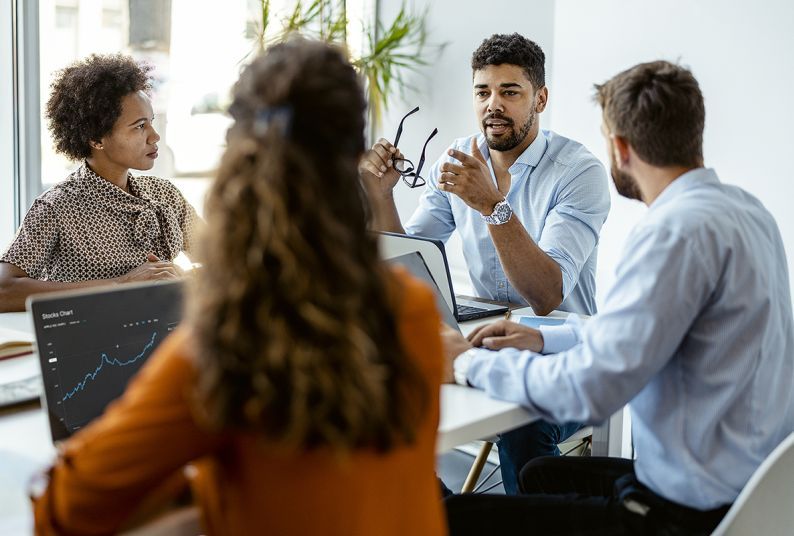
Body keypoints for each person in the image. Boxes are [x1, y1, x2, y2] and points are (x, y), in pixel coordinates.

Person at [31, 39, 447, 535]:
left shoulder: (223, 346)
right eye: (138, 125)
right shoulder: (414, 309)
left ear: (239, 159)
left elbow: (65, 509)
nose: (153, 136)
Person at [442, 60, 794, 535]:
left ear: (621, 147)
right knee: (538, 475)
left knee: (449, 514)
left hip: (678, 515)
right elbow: (647, 332)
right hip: (746, 490)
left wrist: (466, 363)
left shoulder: (672, 234)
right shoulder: (748, 212)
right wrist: (545, 340)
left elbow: (588, 391)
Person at [361, 32, 610, 495]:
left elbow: (546, 294)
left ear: (541, 98)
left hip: (565, 350)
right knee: (381, 390)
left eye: (510, 92)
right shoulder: (457, 160)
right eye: (483, 92)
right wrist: (382, 196)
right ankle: (438, 508)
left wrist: (493, 206)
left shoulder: (579, 172)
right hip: (484, 340)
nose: (493, 104)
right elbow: (409, 260)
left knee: (522, 426)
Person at [0, 53, 199, 312]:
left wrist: (184, 280)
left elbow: (226, 262)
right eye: (139, 126)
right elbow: (4, 289)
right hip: (92, 345)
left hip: (164, 336)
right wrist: (120, 284)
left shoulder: (165, 194)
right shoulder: (57, 207)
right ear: (96, 139)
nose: (154, 136)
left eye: (151, 122)